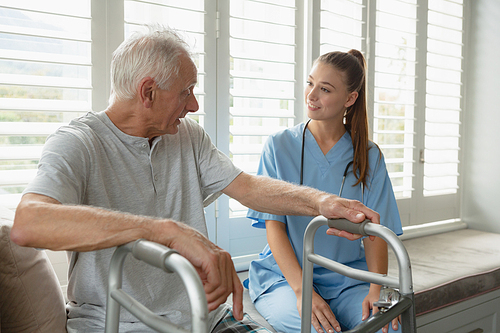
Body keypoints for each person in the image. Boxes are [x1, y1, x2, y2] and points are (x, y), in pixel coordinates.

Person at [10, 27, 381, 333]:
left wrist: (319, 202)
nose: (194, 105)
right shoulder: (78, 143)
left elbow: (248, 187)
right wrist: (164, 230)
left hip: (205, 319)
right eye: (186, 91)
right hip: (119, 324)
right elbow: (29, 223)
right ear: (148, 92)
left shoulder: (186, 135)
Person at [246, 50, 403, 333]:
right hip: (286, 278)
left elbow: (376, 234)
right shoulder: (279, 146)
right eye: (310, 83)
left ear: (350, 98)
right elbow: (275, 228)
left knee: (388, 329)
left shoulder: (369, 155)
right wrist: (302, 292)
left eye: (325, 89)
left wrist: (375, 289)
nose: (312, 95)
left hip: (346, 278)